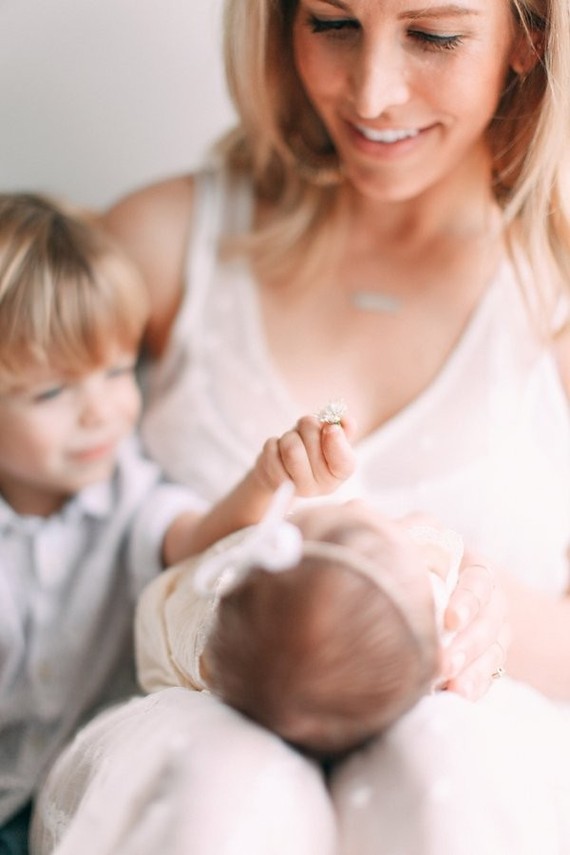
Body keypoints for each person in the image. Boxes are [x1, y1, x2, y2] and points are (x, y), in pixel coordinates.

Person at [31, 0, 570, 851]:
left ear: (527, 42)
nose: (372, 93)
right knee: (223, 778)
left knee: (450, 764)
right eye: (330, 22)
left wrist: (479, 611)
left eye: (433, 36)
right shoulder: (168, 245)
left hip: (486, 766)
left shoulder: (556, 296)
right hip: (178, 756)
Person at [0, 192, 358, 854]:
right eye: (53, 391)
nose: (102, 410)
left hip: (61, 810)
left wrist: (265, 478)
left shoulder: (127, 490)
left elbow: (197, 538)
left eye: (116, 370)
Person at [138, 495, 464, 760]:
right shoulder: (423, 630)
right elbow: (440, 547)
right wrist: (423, 540)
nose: (357, 503)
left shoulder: (210, 631)